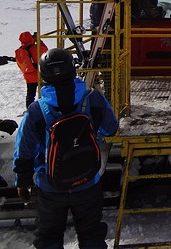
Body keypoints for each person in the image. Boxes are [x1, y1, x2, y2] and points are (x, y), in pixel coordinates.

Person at [13, 47, 119, 249]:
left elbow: (24, 150)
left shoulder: (36, 110)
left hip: (50, 186)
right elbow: (110, 128)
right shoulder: (93, 99)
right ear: (73, 70)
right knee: (92, 236)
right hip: (88, 182)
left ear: (43, 75)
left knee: (49, 238)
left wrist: (22, 181)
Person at [15, 31, 49, 108]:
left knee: (30, 95)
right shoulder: (36, 48)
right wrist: (39, 40)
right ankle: (44, 109)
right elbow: (46, 51)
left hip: (28, 77)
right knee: (44, 93)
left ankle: (29, 110)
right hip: (39, 75)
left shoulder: (19, 51)